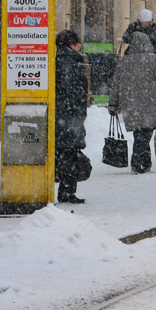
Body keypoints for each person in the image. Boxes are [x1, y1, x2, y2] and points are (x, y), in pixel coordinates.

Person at [109, 31, 156, 174]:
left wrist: (113, 104)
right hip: (151, 103)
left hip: (131, 104)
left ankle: (145, 162)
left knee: (139, 133)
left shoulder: (124, 61)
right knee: (146, 133)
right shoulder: (155, 60)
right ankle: (137, 163)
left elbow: (116, 84)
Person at [54, 29, 90, 203]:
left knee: (66, 153)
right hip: (68, 116)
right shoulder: (69, 62)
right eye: (77, 43)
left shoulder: (62, 60)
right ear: (71, 45)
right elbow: (70, 91)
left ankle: (66, 190)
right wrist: (76, 111)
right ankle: (67, 192)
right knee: (69, 153)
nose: (80, 46)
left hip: (64, 115)